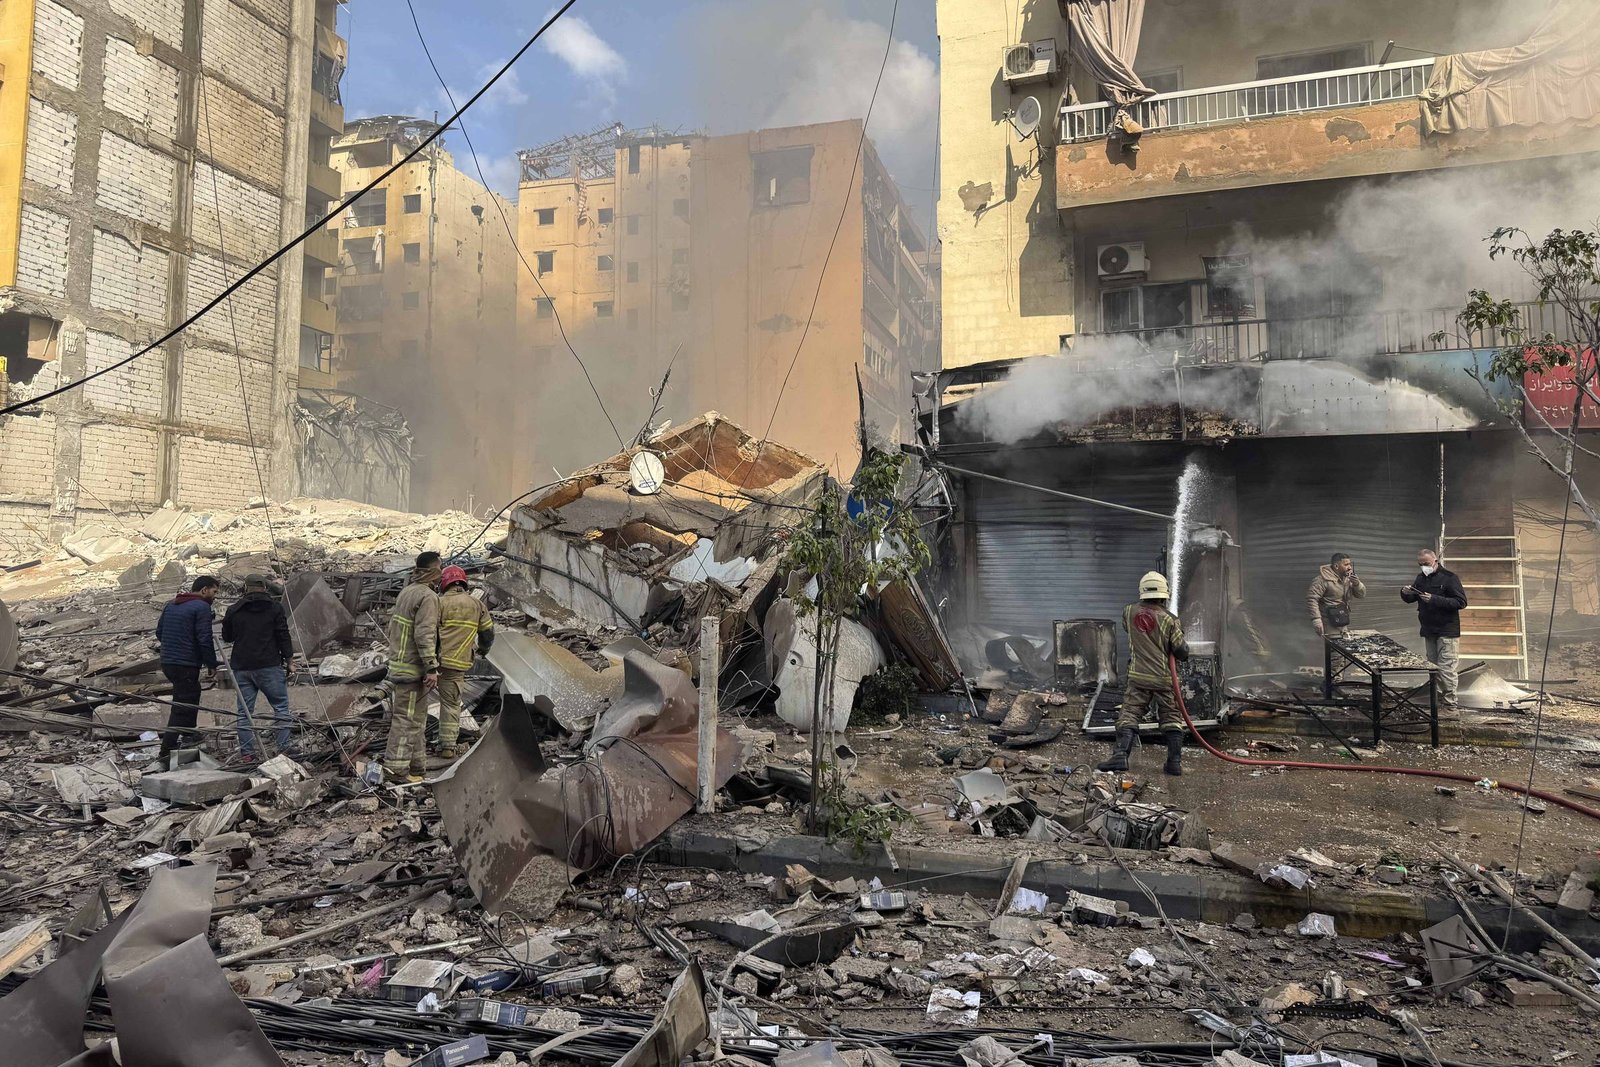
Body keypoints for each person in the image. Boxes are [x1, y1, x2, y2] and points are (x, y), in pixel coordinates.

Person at [1099, 571, 1191, 776]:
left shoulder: (1128, 611)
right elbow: (1181, 651)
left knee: (1130, 713)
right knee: (1171, 716)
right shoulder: (1170, 620)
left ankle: (1120, 756)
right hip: (1164, 678)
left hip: (1138, 676)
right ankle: (1174, 763)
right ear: (1164, 594)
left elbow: (1131, 630)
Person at [382, 552, 442, 783]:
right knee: (406, 721)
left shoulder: (407, 592)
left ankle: (417, 768)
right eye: (440, 568)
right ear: (433, 571)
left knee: (417, 720)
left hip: (402, 665)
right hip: (412, 669)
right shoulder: (428, 597)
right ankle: (396, 770)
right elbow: (424, 634)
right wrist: (431, 667)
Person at [221, 573, 295, 760]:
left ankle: (248, 754)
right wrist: (290, 661)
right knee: (281, 708)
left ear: (246, 588)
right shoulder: (275, 608)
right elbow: (283, 635)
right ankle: (283, 749)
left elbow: (227, 637)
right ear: (265, 587)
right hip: (269, 665)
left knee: (244, 712)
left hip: (242, 667)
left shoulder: (234, 610)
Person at [433, 564, 495, 760]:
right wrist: (483, 650)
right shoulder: (477, 605)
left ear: (444, 583)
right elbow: (488, 634)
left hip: (431, 662)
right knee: (451, 705)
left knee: (417, 703)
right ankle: (447, 747)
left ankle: (412, 746)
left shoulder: (437, 602)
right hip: (456, 664)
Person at [155, 575, 220, 762]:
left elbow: (159, 632)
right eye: (214, 591)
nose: (215, 596)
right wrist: (211, 663)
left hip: (168, 662)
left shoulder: (171, 604)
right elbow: (204, 638)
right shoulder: (202, 607)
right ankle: (167, 748)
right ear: (204, 590)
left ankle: (190, 733)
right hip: (185, 663)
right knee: (182, 704)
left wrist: (175, 644)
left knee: (192, 694)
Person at [1401, 548, 1468, 710]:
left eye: (1426, 563)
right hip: (1429, 630)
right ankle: (1437, 701)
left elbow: (1461, 602)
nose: (1424, 567)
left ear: (1435, 561)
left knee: (1446, 668)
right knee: (1433, 668)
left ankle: (1451, 704)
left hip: (1447, 630)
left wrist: (1434, 599)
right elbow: (1411, 599)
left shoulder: (1450, 578)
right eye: (1420, 564)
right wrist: (1405, 593)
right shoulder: (1420, 578)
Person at [1308, 552, 1366, 640]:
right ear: (1336, 566)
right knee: (1333, 646)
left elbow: (1361, 595)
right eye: (1346, 564)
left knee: (1343, 644)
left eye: (1350, 564)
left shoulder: (1348, 579)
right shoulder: (1322, 580)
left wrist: (1357, 584)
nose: (1349, 567)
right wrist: (1316, 619)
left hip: (1342, 619)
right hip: (1329, 622)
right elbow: (1312, 599)